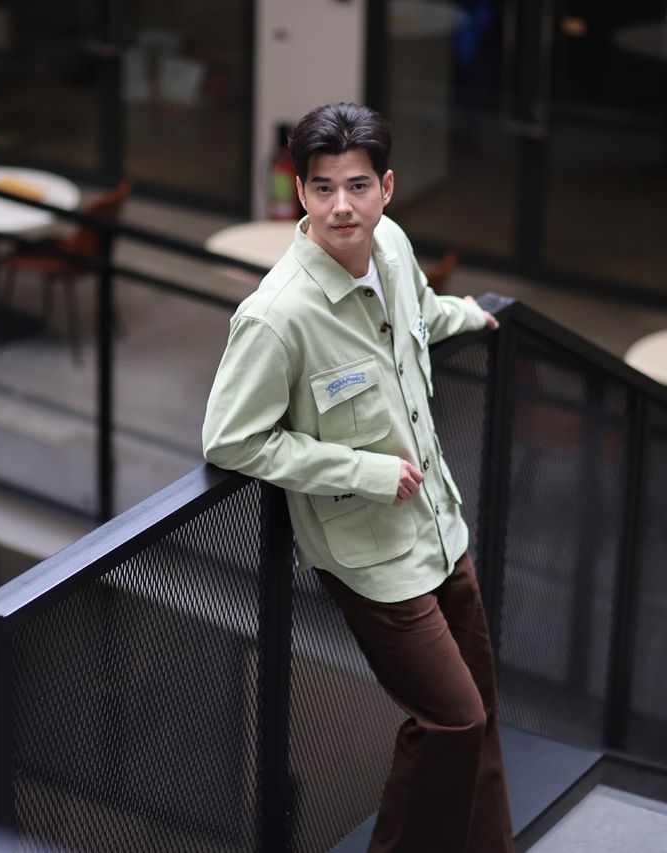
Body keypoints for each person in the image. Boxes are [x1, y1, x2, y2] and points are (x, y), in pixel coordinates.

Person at [201, 102, 512, 852]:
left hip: (439, 523)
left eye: (358, 185)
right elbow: (230, 439)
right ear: (301, 193)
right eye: (323, 187)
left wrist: (469, 315)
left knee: (481, 710)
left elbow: (419, 315)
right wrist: (359, 471)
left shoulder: (393, 245)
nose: (342, 205)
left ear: (386, 188)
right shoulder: (278, 315)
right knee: (452, 720)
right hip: (370, 557)